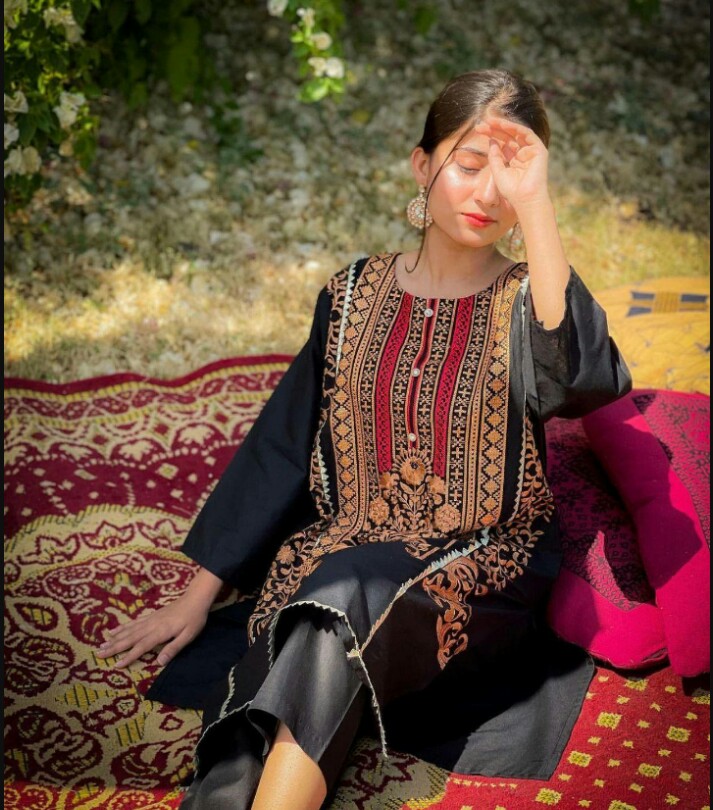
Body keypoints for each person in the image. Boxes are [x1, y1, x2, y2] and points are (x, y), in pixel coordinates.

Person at [96, 68, 633, 809]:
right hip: (345, 552)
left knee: (337, 601)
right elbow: (283, 442)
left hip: (481, 570)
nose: (487, 194)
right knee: (321, 615)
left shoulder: (527, 298)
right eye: (468, 165)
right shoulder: (351, 295)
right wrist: (197, 597)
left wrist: (537, 205)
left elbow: (581, 378)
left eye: (509, 178)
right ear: (421, 166)